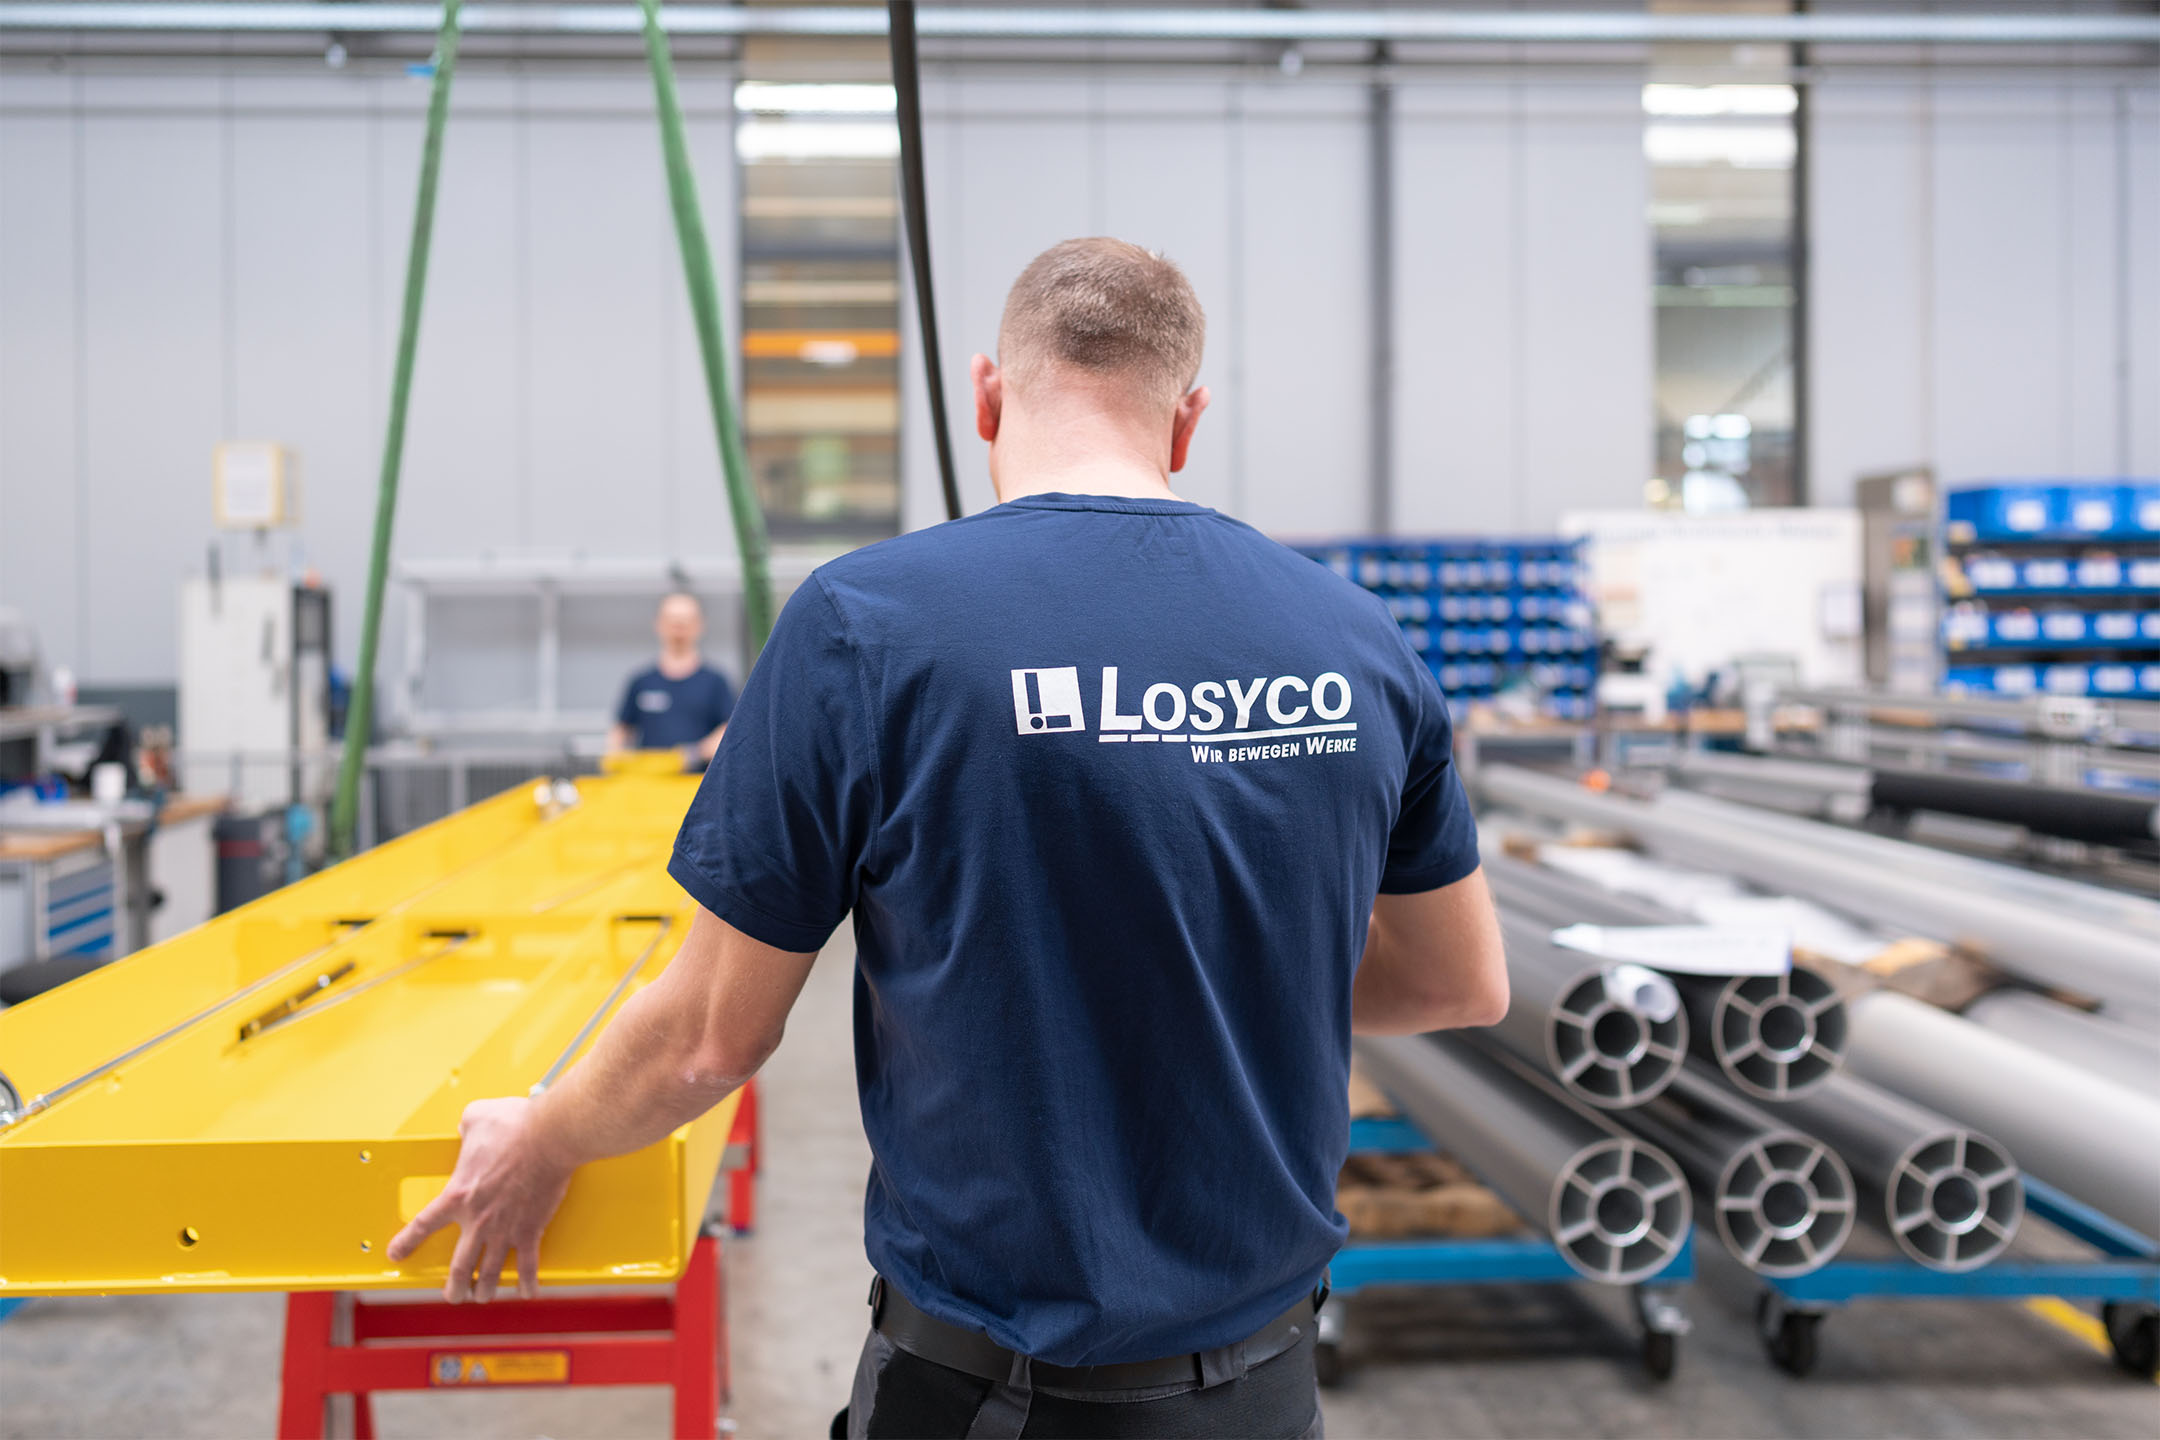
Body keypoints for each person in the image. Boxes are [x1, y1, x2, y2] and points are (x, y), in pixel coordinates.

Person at [389, 238, 1509, 1440]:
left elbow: (710, 1035)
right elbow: (1460, 982)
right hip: (1263, 1391)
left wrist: (545, 1133)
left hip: (987, 1398)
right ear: (1187, 420)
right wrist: (1228, 967)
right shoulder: (1356, 642)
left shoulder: (867, 627)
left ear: (985, 393)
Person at [608, 592, 735, 765]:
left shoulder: (716, 682)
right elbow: (621, 730)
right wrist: (615, 761)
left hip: (698, 784)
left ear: (699, 625)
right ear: (658, 624)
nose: (678, 627)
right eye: (672, 620)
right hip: (650, 785)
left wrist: (692, 754)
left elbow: (729, 731)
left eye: (686, 621)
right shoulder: (641, 682)